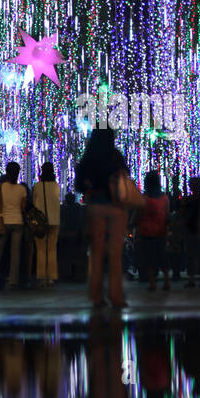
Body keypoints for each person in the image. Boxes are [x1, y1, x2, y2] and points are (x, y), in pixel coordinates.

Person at [75, 127, 129, 307]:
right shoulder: (116, 156)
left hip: (96, 206)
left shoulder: (89, 158)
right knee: (115, 254)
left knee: (96, 253)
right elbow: (125, 177)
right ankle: (116, 296)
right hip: (115, 207)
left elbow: (79, 184)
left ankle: (96, 297)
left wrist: (90, 188)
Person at [0, 162, 28, 289]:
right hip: (18, 222)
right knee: (15, 252)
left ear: (7, 173)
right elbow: (23, 208)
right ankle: (13, 280)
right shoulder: (22, 189)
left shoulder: (1, 187)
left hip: (4, 221)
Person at [136, 170, 170, 291]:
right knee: (162, 257)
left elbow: (139, 215)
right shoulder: (164, 198)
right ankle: (166, 282)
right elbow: (167, 214)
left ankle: (152, 283)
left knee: (149, 258)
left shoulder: (144, 198)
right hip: (161, 231)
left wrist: (135, 227)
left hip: (147, 232)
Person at [32, 161, 61, 288]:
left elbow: (34, 202)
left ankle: (42, 276)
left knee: (41, 249)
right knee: (52, 249)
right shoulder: (56, 186)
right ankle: (52, 277)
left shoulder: (37, 186)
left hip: (40, 222)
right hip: (54, 220)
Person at [181, 176, 200, 287]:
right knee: (199, 256)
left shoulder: (188, 200)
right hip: (198, 230)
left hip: (192, 230)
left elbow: (183, 215)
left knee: (193, 256)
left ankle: (193, 279)